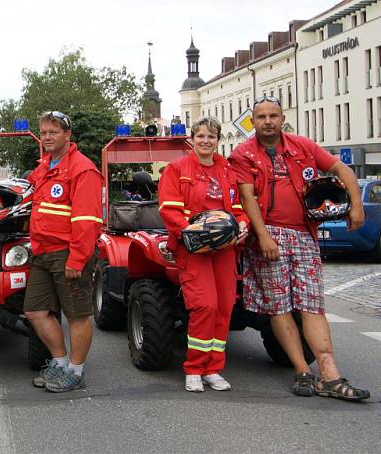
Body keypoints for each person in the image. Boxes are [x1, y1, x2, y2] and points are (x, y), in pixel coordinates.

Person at [229, 97, 370, 401]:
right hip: (268, 237)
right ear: (253, 121)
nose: (268, 121)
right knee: (279, 308)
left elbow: (342, 170)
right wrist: (264, 236)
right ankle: (302, 371)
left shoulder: (303, 146)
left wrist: (356, 205)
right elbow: (247, 198)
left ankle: (330, 375)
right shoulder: (243, 154)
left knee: (311, 303)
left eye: (273, 116)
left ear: (282, 118)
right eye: (261, 117)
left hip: (304, 234)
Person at [158, 117, 249, 392]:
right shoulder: (177, 169)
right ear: (192, 139)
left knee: (224, 307)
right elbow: (169, 209)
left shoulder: (227, 171)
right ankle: (194, 368)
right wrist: (190, 233)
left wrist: (243, 225)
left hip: (224, 248)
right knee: (205, 305)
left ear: (218, 140)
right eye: (200, 136)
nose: (206, 141)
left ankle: (213, 368)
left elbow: (238, 208)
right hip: (193, 248)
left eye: (211, 136)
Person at [26, 111, 104, 392]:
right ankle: (59, 362)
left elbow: (87, 221)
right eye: (44, 132)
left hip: (68, 252)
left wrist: (78, 258)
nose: (47, 137)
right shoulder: (45, 166)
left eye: (53, 132)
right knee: (34, 310)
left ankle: (76, 370)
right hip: (42, 251)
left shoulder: (82, 169)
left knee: (76, 315)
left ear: (67, 135)